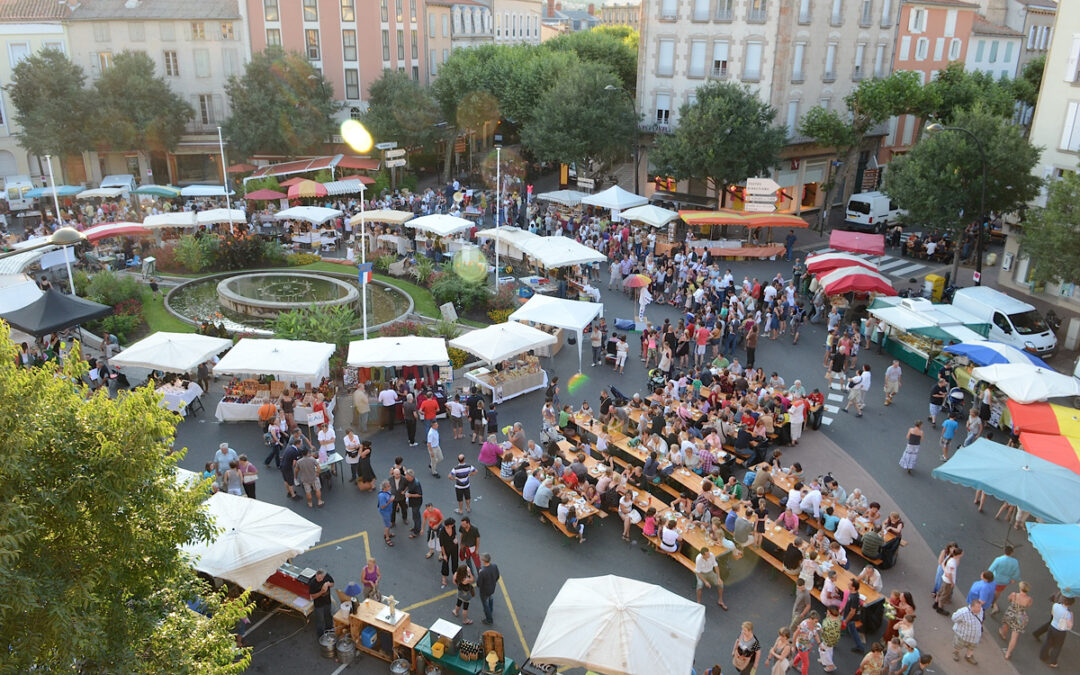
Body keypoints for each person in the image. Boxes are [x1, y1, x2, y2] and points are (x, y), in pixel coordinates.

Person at [998, 580, 1031, 660]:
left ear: (1020, 588)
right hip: (1020, 616)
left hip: (1011, 613)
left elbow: (1009, 599)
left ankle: (1003, 634)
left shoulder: (1014, 594)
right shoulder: (1029, 599)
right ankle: (1008, 653)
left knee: (1006, 624)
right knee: (1014, 636)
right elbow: (1028, 606)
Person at [1039, 596, 1074, 667]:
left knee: (1047, 642)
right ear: (1070, 604)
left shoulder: (1056, 605)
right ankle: (1053, 662)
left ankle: (1043, 656)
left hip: (1052, 626)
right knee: (1057, 646)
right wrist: (1072, 617)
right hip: (1060, 631)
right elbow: (1070, 626)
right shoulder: (1068, 614)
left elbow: (1052, 613)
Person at [950, 598, 984, 665]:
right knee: (958, 645)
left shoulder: (981, 610)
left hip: (974, 637)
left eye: (980, 607)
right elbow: (954, 618)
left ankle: (969, 656)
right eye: (978, 607)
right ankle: (956, 653)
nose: (980, 609)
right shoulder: (963, 612)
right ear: (972, 607)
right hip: (963, 635)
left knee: (971, 647)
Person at [933, 546, 962, 614]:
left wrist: (945, 570)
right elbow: (949, 574)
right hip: (948, 581)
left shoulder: (949, 557)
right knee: (944, 595)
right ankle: (940, 608)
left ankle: (936, 603)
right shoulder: (952, 563)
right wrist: (952, 582)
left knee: (940, 591)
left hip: (944, 579)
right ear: (958, 554)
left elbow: (943, 564)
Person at [307, 569, 335, 636]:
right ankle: (320, 635)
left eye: (321, 578)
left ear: (324, 576)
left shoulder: (327, 577)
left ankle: (330, 629)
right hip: (319, 605)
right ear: (316, 575)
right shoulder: (312, 583)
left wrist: (328, 584)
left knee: (328, 616)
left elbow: (332, 584)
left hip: (327, 601)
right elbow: (313, 596)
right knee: (320, 620)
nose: (319, 579)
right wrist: (321, 592)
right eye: (318, 577)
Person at [476, 552, 500, 625]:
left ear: (483, 561)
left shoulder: (482, 572)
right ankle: (491, 610)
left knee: (485, 604)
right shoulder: (494, 566)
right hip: (492, 588)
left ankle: (489, 619)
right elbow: (497, 576)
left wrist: (480, 573)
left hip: (484, 591)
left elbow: (478, 584)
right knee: (490, 598)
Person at [818, 606, 842, 672]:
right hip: (834, 640)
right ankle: (824, 660)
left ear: (830, 613)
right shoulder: (838, 618)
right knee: (829, 650)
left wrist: (819, 628)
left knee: (823, 651)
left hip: (827, 640)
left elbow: (823, 631)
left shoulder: (828, 623)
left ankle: (830, 665)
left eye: (827, 612)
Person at [438, 518, 459, 588]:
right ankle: (444, 578)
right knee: (445, 563)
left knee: (455, 562)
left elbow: (455, 534)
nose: (453, 525)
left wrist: (456, 538)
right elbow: (442, 545)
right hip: (446, 549)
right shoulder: (442, 532)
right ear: (448, 525)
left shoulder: (453, 527)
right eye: (452, 524)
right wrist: (444, 555)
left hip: (454, 547)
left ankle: (455, 576)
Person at [404, 470, 424, 537]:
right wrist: (404, 491)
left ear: (410, 476)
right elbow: (408, 486)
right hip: (413, 501)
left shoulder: (416, 483)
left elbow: (420, 494)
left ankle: (416, 531)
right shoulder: (409, 481)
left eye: (407, 476)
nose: (405, 477)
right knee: (415, 515)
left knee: (416, 517)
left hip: (416, 502)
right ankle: (416, 527)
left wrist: (410, 495)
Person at [377, 480, 394, 546]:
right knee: (387, 525)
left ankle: (387, 534)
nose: (390, 487)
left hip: (389, 510)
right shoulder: (382, 496)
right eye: (388, 486)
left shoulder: (387, 492)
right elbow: (383, 506)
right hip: (385, 512)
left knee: (388, 523)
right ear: (384, 488)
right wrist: (390, 501)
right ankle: (387, 538)